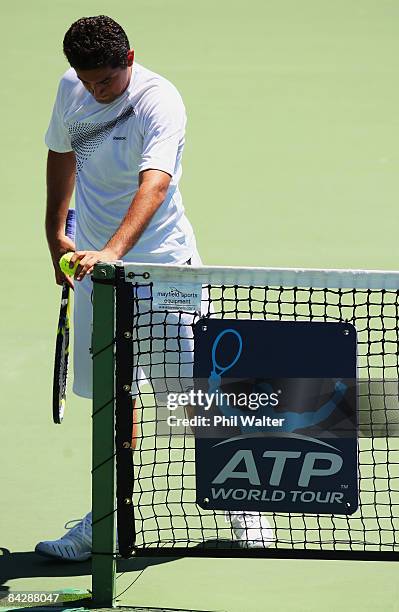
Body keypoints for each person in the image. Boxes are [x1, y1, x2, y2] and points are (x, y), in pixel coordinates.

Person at [36, 15, 273, 561]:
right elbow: (60, 150)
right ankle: (105, 519)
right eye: (88, 81)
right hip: (98, 271)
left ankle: (243, 504)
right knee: (112, 401)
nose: (96, 92)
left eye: (106, 82)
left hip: (163, 272)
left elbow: (156, 182)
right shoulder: (72, 87)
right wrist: (55, 233)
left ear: (131, 58)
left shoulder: (158, 102)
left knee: (192, 396)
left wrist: (114, 252)